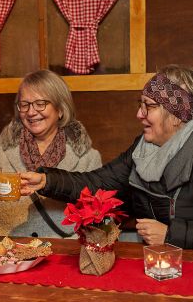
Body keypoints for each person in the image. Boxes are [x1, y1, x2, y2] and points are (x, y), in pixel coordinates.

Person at [21, 64, 193, 248]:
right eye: (140, 105)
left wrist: (170, 235)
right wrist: (47, 180)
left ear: (176, 115)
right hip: (156, 262)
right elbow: (98, 184)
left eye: (149, 106)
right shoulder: (142, 149)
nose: (139, 114)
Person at [0, 69, 101, 238]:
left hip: (62, 254)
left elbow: (97, 218)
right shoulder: (0, 148)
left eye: (40, 103)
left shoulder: (87, 158)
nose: (31, 112)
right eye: (25, 104)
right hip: (5, 253)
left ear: (60, 109)